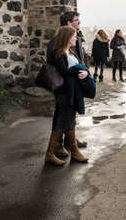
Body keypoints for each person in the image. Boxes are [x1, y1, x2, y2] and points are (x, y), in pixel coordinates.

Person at [45, 26, 89, 165]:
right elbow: (64, 72)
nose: (76, 38)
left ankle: (60, 151)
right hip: (64, 92)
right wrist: (79, 72)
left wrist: (85, 72)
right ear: (67, 37)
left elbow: (77, 66)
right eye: (74, 36)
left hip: (71, 91)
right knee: (66, 119)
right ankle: (67, 151)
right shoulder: (58, 53)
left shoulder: (69, 51)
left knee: (65, 119)